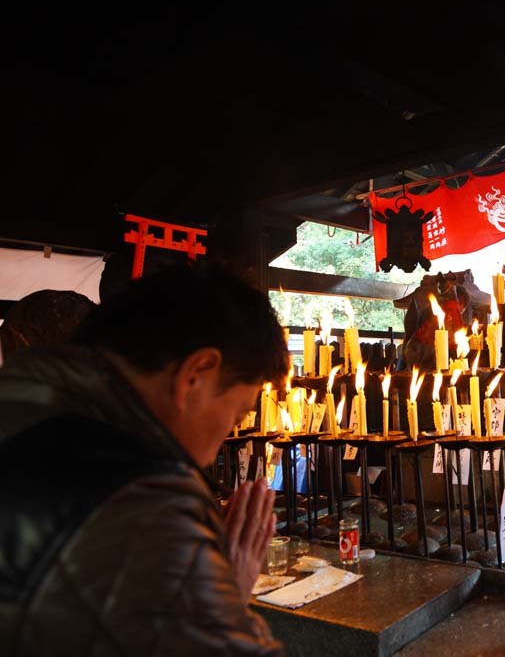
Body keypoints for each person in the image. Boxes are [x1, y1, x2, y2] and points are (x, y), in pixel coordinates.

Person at [0, 266, 289, 655]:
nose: (217, 446)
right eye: (237, 415)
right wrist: (226, 595)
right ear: (196, 373)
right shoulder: (147, 506)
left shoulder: (20, 413)